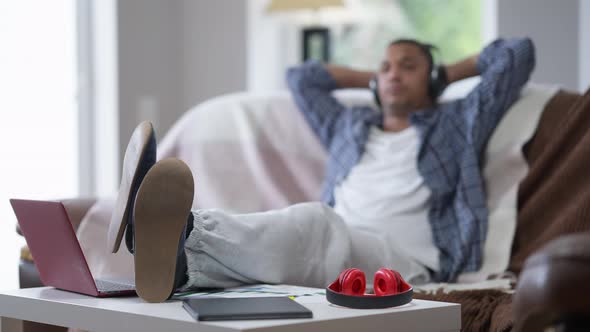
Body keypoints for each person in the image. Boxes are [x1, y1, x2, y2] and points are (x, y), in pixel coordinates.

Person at [108, 37, 535, 302]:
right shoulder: (349, 126)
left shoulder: (458, 122)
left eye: (408, 66)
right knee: (298, 236)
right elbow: (302, 77)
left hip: (408, 264)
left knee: (314, 222)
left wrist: (445, 74)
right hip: (340, 245)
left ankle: (169, 235)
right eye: (385, 67)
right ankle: (177, 258)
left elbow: (516, 55)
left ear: (433, 78)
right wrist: (375, 77)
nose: (393, 75)